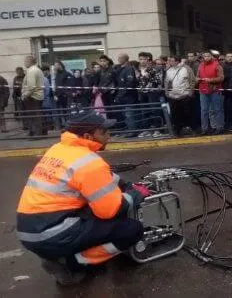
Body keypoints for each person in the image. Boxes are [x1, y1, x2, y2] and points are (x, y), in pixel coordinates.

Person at [16, 109, 148, 286]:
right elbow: (110, 211)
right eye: (103, 132)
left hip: (30, 231)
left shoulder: (60, 149)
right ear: (88, 136)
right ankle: (70, 264)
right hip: (52, 234)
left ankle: (63, 254)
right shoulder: (90, 162)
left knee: (91, 213)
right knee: (131, 230)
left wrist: (127, 185)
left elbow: (103, 179)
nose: (109, 135)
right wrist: (135, 195)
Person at [165, 56, 195, 135]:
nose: (170, 62)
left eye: (171, 60)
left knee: (187, 113)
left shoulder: (186, 68)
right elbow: (166, 82)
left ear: (177, 61)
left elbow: (192, 80)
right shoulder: (169, 70)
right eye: (169, 61)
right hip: (173, 96)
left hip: (184, 95)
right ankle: (177, 130)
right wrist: (167, 92)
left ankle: (189, 128)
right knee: (175, 114)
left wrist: (190, 92)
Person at [197, 51, 225, 135]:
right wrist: (196, 79)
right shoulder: (200, 65)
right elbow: (197, 76)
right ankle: (204, 129)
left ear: (211, 56)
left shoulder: (217, 65)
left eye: (208, 56)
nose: (206, 57)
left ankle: (219, 127)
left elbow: (221, 78)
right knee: (204, 111)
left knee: (217, 110)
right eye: (205, 56)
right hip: (203, 90)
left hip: (215, 90)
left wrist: (211, 80)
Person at [21, 56, 45, 137]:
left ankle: (35, 133)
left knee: (33, 116)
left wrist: (25, 95)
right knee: (36, 115)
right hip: (38, 96)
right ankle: (36, 132)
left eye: (25, 61)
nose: (24, 63)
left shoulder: (31, 71)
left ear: (30, 61)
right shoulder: (37, 70)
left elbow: (31, 86)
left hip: (33, 97)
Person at [113, 54, 138, 133]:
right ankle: (129, 129)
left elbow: (129, 83)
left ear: (125, 59)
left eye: (120, 58)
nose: (118, 59)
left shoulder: (129, 68)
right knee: (125, 114)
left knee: (129, 114)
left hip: (128, 96)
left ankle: (132, 131)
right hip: (122, 96)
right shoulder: (120, 68)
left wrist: (121, 94)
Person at [51, 61, 72, 130]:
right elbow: (55, 85)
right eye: (54, 66)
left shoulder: (67, 74)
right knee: (58, 112)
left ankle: (67, 125)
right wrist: (55, 94)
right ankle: (60, 126)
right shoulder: (56, 74)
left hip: (65, 96)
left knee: (65, 111)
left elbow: (69, 85)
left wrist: (66, 93)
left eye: (56, 65)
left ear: (60, 65)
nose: (55, 67)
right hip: (57, 96)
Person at [221, 52, 232, 131]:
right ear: (226, 58)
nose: (230, 58)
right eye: (228, 56)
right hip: (226, 92)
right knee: (227, 109)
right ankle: (228, 124)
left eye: (231, 56)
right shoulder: (223, 66)